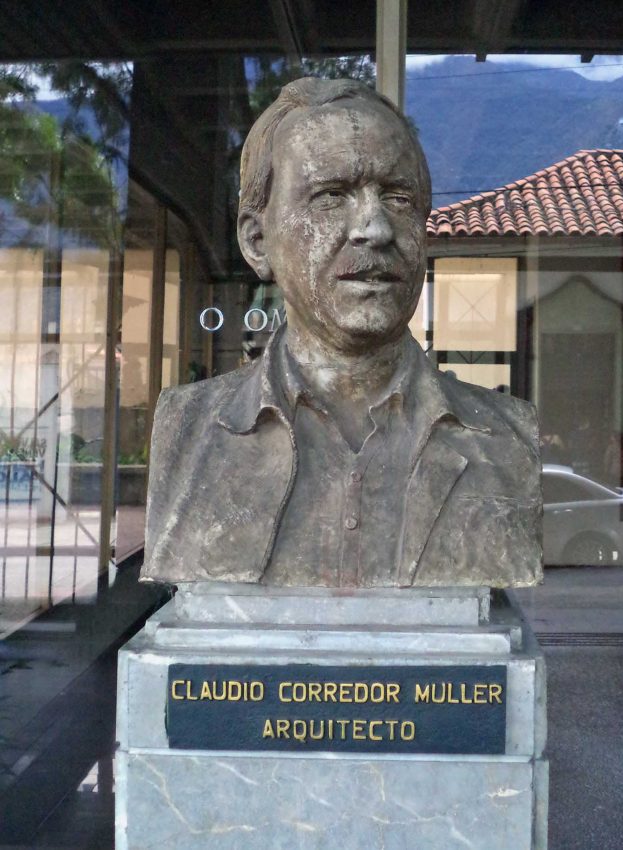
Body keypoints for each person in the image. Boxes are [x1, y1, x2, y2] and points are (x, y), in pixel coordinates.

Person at [141, 78, 541, 588]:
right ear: (257, 241)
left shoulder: (505, 440)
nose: (374, 228)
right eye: (331, 196)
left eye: (398, 198)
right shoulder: (187, 433)